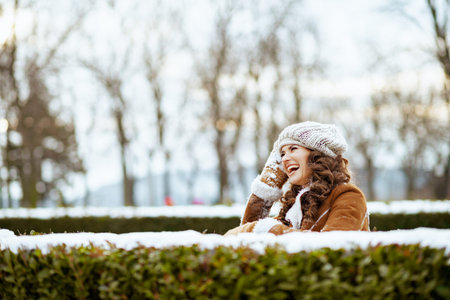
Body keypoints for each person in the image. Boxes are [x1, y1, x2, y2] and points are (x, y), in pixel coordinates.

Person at [225, 121, 369, 236]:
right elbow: (243, 238)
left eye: (293, 149)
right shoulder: (296, 204)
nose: (285, 159)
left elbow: (333, 247)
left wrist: (270, 230)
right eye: (282, 154)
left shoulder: (348, 196)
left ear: (317, 154)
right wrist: (266, 185)